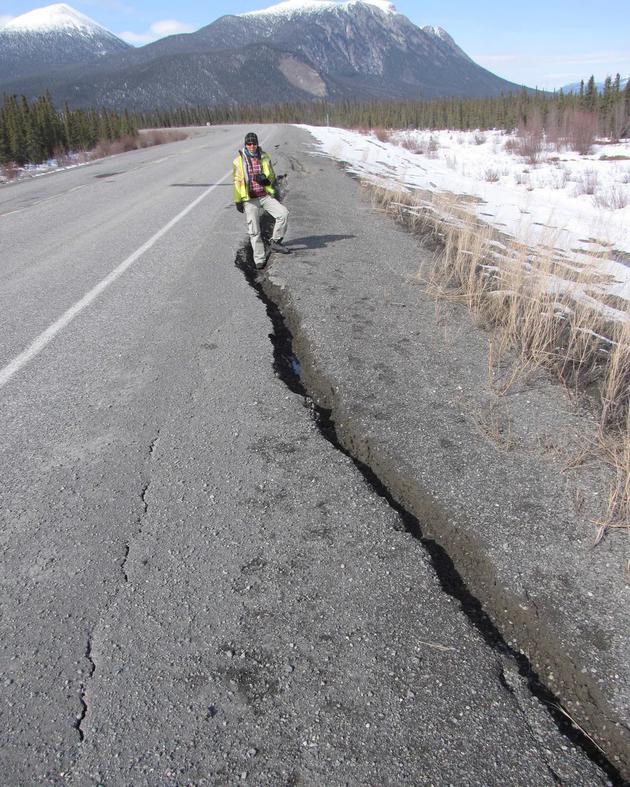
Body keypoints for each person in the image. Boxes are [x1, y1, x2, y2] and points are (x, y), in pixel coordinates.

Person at [233, 132, 290, 270]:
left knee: (283, 214)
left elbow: (272, 176)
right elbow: (236, 181)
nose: (252, 146)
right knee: (254, 231)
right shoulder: (238, 161)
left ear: (257, 143)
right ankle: (259, 259)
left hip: (264, 195)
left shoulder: (265, 157)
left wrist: (266, 181)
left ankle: (275, 241)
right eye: (249, 143)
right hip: (250, 199)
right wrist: (238, 200)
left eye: (254, 143)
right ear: (245, 144)